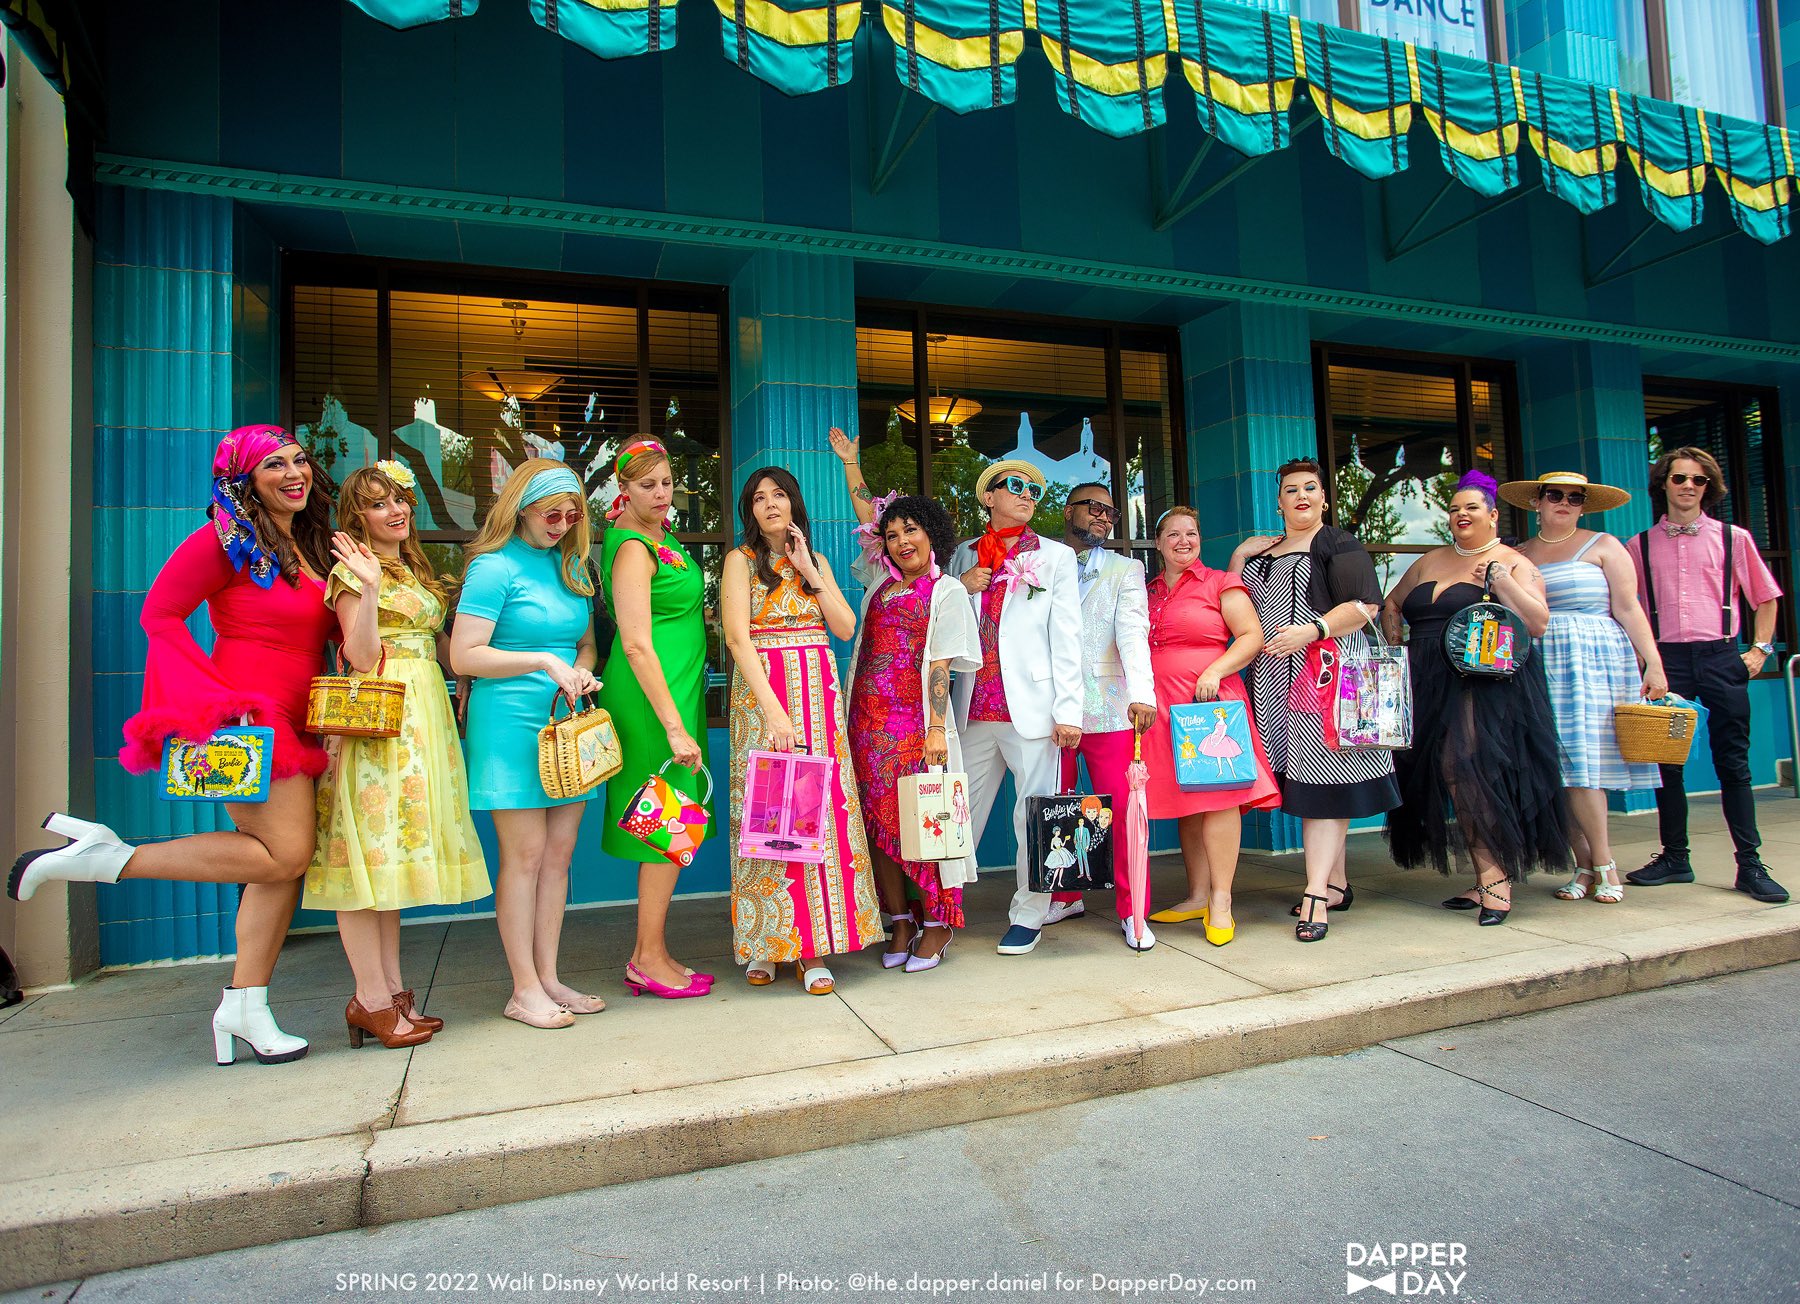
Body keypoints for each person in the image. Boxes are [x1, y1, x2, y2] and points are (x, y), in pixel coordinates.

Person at [9, 425, 337, 1065]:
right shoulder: (223, 539)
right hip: (253, 714)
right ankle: (111, 859)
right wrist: (211, 696)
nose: (294, 473)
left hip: (304, 714)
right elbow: (158, 613)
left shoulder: (312, 544)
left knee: (276, 869)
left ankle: (245, 1008)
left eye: (299, 460)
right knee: (286, 853)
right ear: (243, 479)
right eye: (274, 464)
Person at [307, 462, 491, 1049]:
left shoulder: (412, 566)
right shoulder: (351, 571)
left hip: (423, 717)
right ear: (357, 516)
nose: (396, 510)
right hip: (381, 722)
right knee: (368, 857)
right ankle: (370, 998)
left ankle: (390, 993)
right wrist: (366, 587)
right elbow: (361, 657)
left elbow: (445, 647)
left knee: (389, 864)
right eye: (379, 503)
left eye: (400, 499)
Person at [450, 459, 605, 1030]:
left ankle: (548, 977)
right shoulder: (492, 567)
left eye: (572, 515)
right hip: (509, 725)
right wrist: (542, 661)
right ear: (520, 509)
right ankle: (522, 989)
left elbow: (585, 644)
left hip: (567, 725)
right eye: (550, 514)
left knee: (559, 856)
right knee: (526, 856)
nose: (562, 524)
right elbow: (464, 655)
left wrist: (581, 669)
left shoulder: (572, 568)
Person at [1382, 469, 1567, 925]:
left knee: (1465, 769)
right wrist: (1395, 647)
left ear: (1493, 515)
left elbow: (1538, 623)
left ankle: (1494, 877)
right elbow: (1392, 604)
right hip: (1424, 679)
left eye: (1471, 507)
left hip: (1479, 684)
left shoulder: (1513, 561)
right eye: (1454, 508)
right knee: (1445, 774)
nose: (1461, 514)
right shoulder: (1429, 560)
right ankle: (1487, 873)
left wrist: (1502, 582)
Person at [723, 466, 881, 995]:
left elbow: (845, 627)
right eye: (759, 498)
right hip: (767, 696)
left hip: (818, 695)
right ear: (749, 510)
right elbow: (737, 640)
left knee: (816, 818)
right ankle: (769, 942)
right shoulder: (740, 561)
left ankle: (812, 949)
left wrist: (810, 570)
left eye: (779, 495)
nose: (770, 504)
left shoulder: (817, 561)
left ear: (794, 502)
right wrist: (772, 711)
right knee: (770, 815)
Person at [1230, 458, 1400, 944]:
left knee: (1325, 783)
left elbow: (1366, 606)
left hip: (1325, 677)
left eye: (1310, 487)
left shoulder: (1338, 543)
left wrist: (1312, 629)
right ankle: (1337, 883)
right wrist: (1239, 557)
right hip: (1272, 682)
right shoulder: (1262, 553)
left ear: (1324, 497)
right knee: (1307, 784)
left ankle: (1315, 894)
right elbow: (1232, 605)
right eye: (1291, 489)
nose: (1301, 495)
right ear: (1278, 503)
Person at [1623, 448, 1788, 903]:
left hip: (1720, 657)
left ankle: (1750, 865)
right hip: (1668, 663)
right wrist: (1644, 661)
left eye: (1698, 480)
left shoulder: (1734, 538)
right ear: (1664, 484)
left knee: (1733, 763)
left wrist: (1759, 651)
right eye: (1679, 478)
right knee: (1667, 763)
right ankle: (1675, 858)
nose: (1688, 486)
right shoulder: (1639, 545)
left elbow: (1765, 597)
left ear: (1708, 487)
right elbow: (1628, 607)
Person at [1506, 471, 1665, 904]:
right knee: (1558, 768)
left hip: (1594, 660)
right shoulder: (1519, 554)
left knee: (1584, 767)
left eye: (1575, 498)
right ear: (1537, 501)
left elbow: (1628, 608)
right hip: (1540, 658)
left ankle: (1604, 863)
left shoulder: (1605, 545)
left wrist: (1653, 662)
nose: (1565, 502)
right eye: (1555, 495)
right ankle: (1583, 863)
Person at [595, 438, 716, 997]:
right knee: (667, 827)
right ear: (624, 489)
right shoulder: (632, 548)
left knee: (674, 824)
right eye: (647, 485)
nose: (662, 494)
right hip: (652, 702)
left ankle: (654, 951)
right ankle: (646, 958)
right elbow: (636, 644)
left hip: (677, 693)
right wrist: (672, 724)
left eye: (667, 482)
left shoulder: (659, 537)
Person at [949, 460, 1084, 957]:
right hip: (972, 706)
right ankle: (943, 909)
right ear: (989, 497)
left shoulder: (1055, 556)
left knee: (1035, 818)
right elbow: (941, 619)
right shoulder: (963, 554)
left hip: (1034, 708)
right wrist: (961, 586)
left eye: (1034, 490)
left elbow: (1066, 636)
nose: (1027, 494)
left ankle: (1030, 914)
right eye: (1015, 486)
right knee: (957, 815)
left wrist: (1069, 710)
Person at [1140, 508, 1280, 946]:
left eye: (1192, 533)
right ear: (1158, 542)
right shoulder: (1147, 590)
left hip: (1209, 703)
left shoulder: (1221, 582)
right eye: (1173, 534)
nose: (1183, 540)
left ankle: (1221, 899)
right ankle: (1197, 895)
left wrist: (1216, 671)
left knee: (1219, 798)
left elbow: (1251, 636)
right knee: (1188, 799)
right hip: (1162, 708)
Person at [1038, 482, 1158, 949]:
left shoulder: (1126, 569)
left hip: (1110, 708)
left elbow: (1133, 631)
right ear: (1068, 511)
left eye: (1111, 512)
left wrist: (1142, 693)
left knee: (1124, 811)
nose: (1105, 517)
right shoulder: (1040, 561)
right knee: (1058, 807)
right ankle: (1065, 895)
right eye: (1095, 507)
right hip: (1051, 710)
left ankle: (1133, 911)